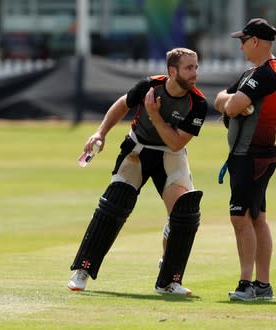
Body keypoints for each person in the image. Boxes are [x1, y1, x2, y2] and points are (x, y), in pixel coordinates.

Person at [68, 47, 208, 296]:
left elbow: (176, 143)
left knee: (184, 213)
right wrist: (100, 132)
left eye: (196, 67)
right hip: (137, 150)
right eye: (189, 68)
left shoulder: (197, 103)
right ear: (172, 71)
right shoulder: (149, 86)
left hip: (170, 154)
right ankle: (83, 270)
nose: (194, 73)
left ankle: (169, 281)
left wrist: (154, 115)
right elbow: (122, 105)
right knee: (115, 202)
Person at [213, 18, 276, 301]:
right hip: (252, 156)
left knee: (240, 218)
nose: (241, 47)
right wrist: (229, 103)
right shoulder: (253, 73)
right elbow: (220, 99)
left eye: (243, 41)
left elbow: (229, 105)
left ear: (255, 41)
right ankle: (262, 286)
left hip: (251, 156)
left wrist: (230, 104)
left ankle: (247, 285)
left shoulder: (265, 74)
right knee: (256, 218)